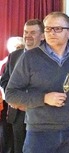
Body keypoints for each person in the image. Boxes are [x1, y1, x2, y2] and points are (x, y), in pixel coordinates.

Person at [6, 12, 69, 153]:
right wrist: (44, 98)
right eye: (48, 29)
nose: (52, 32)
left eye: (57, 28)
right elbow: (11, 94)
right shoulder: (30, 58)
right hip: (38, 132)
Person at [0, 19, 44, 153]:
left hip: (41, 113)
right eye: (26, 32)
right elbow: (4, 80)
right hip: (17, 113)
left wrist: (29, 102)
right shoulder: (14, 56)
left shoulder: (49, 57)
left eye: (33, 32)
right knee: (19, 148)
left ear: (42, 36)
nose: (28, 35)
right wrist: (15, 100)